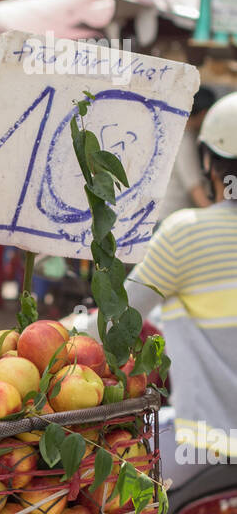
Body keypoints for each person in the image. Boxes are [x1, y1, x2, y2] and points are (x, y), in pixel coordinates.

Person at [80, 92, 237, 484]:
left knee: (104, 482)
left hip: (209, 447)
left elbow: (119, 324)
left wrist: (57, 335)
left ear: (208, 162)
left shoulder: (188, 234)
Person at [154, 84, 217, 226]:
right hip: (170, 219)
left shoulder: (177, 132)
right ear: (204, 113)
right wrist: (218, 220)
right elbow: (194, 188)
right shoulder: (184, 139)